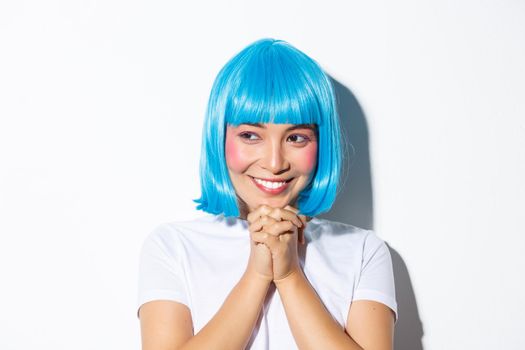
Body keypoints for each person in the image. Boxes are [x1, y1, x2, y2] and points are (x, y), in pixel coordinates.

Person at [137, 38, 397, 350]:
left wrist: (289, 276)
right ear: (219, 137)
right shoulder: (172, 247)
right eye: (250, 135)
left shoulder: (363, 251)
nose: (274, 163)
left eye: (297, 137)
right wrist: (256, 276)